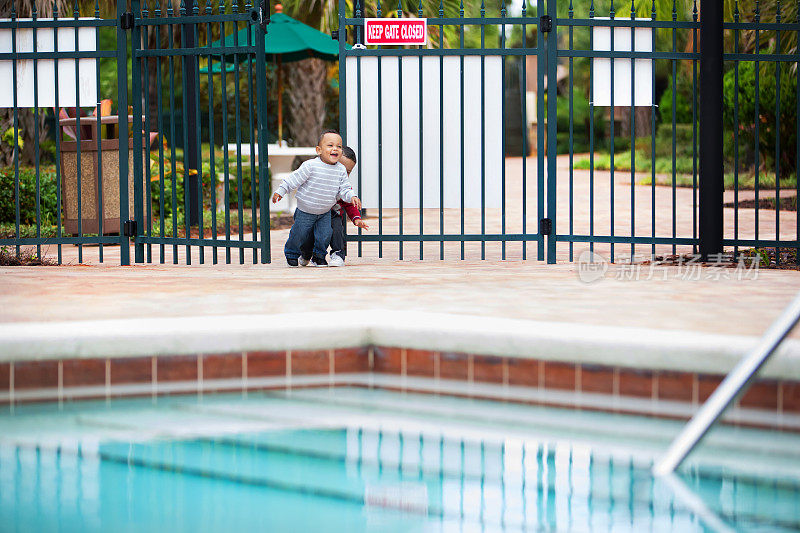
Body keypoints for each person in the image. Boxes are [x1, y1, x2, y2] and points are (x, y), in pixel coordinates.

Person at [272, 129, 360, 267]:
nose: (335, 149)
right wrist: (281, 190)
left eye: (338, 146)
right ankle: (291, 254)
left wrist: (352, 196)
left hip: (325, 212)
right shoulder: (311, 166)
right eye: (330, 145)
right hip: (306, 210)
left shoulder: (340, 170)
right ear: (319, 150)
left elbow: (344, 188)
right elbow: (294, 179)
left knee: (324, 235)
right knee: (299, 234)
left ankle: (319, 257)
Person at [299, 146, 369, 267]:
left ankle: (338, 254)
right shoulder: (317, 179)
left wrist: (356, 218)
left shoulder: (344, 187)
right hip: (315, 213)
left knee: (337, 232)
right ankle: (306, 254)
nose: (343, 173)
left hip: (333, 214)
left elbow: (349, 203)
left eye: (347, 172)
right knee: (308, 235)